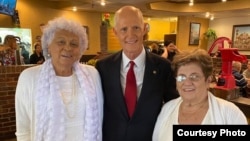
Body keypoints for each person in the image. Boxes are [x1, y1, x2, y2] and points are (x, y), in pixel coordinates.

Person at [95, 6, 179, 141]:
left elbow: (174, 106)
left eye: (136, 28)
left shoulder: (164, 67)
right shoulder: (103, 67)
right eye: (124, 29)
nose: (130, 35)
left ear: (144, 29)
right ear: (115, 32)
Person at [15, 17, 103, 141]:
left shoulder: (92, 75)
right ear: (48, 46)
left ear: (81, 49)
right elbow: (23, 130)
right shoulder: (29, 77)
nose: (68, 48)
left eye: (74, 44)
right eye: (61, 42)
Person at [152, 49, 248, 141]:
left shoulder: (230, 114)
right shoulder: (167, 110)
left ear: (208, 81)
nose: (187, 82)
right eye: (181, 77)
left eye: (194, 77)